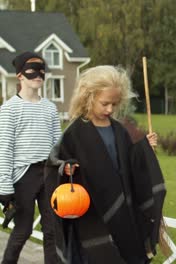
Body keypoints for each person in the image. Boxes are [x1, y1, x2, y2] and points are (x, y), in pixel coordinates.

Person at [45, 65, 166, 264]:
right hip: (91, 213)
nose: (110, 109)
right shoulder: (75, 132)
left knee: (125, 252)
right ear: (88, 97)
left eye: (114, 104)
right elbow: (54, 163)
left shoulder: (119, 130)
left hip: (121, 209)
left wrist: (144, 148)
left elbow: (129, 162)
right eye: (105, 103)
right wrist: (65, 168)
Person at [0, 51, 60, 264]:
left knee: (53, 229)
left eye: (42, 69)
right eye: (32, 69)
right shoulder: (9, 110)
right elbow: (4, 148)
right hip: (23, 177)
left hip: (49, 174)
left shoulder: (51, 109)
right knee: (23, 230)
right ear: (20, 75)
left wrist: (62, 166)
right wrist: (4, 186)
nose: (38, 74)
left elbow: (57, 145)